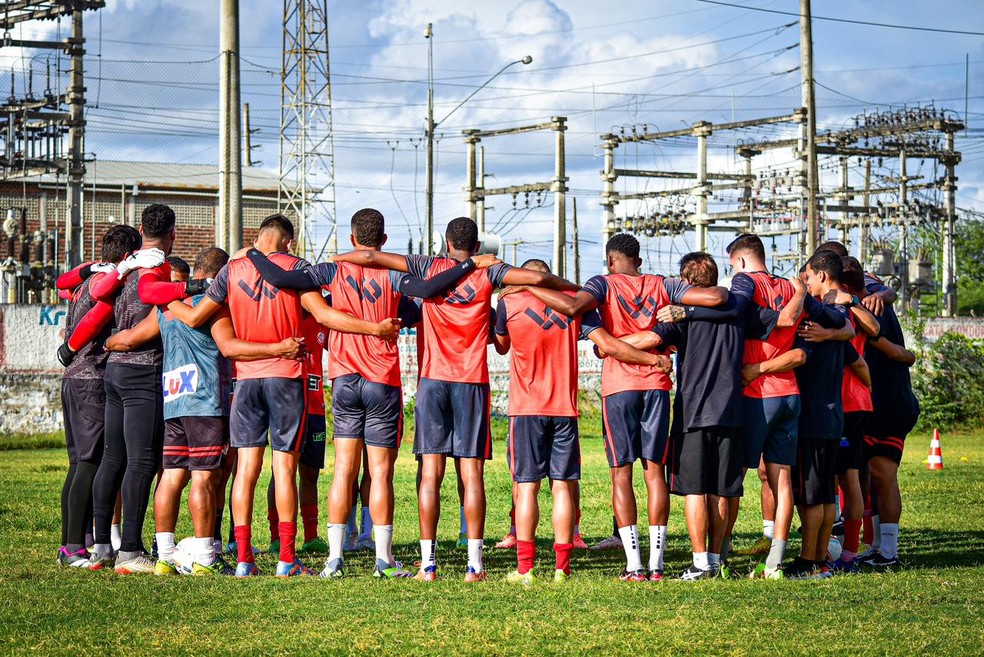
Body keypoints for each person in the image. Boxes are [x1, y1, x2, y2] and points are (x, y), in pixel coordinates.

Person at [247, 208, 491, 579]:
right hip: (382, 380)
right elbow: (425, 294)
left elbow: (281, 278)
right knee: (380, 473)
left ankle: (333, 559)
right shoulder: (395, 275)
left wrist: (252, 254)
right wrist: (468, 267)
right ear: (385, 241)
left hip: (344, 379)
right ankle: (383, 559)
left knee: (343, 469)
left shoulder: (331, 271)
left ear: (351, 239)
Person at [333, 216, 579, 582]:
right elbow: (540, 279)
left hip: (433, 382)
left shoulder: (427, 265)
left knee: (430, 474)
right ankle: (474, 566)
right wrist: (577, 287)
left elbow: (369, 258)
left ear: (446, 243)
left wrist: (336, 259)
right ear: (477, 246)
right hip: (471, 382)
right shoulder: (490, 272)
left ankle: (428, 565)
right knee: (472, 473)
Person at [166, 214, 401, 577]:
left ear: (258, 237)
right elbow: (325, 314)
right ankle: (286, 558)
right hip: (286, 378)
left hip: (246, 382)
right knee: (285, 468)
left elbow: (198, 320)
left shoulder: (232, 271)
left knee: (245, 471)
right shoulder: (296, 268)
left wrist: (164, 301)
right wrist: (375, 328)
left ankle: (244, 559)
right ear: (288, 242)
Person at [512, 233, 727, 581]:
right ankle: (657, 565)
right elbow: (717, 296)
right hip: (657, 388)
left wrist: (523, 286)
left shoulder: (602, 285)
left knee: (621, 474)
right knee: (654, 473)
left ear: (610, 261)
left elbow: (571, 309)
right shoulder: (662, 284)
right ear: (638, 261)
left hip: (619, 388)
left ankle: (635, 564)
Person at [494, 259, 671, 583]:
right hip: (565, 408)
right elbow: (606, 344)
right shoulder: (574, 307)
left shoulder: (509, 302)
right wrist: (653, 359)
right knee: (562, 488)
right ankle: (562, 568)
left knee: (527, 489)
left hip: (526, 407)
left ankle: (525, 568)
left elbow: (501, 346)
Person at [631, 252, 803, 579]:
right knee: (724, 490)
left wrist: (607, 343)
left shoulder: (681, 316)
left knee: (695, 490)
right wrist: (800, 293)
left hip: (694, 413)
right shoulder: (741, 311)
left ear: (686, 283)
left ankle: (700, 564)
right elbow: (784, 320)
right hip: (733, 412)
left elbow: (652, 339)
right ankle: (717, 558)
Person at [85, 205, 176, 574]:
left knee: (112, 458)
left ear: (141, 229)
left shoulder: (126, 266)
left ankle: (102, 546)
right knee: (141, 461)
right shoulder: (159, 269)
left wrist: (112, 342)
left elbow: (98, 296)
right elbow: (159, 318)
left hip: (115, 373)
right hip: (142, 372)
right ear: (172, 234)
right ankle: (131, 551)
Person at [56, 225, 141, 567]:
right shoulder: (111, 284)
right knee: (90, 462)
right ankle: (74, 546)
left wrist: (88, 267)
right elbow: (101, 314)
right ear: (126, 257)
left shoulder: (88, 280)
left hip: (73, 378)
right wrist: (73, 345)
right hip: (91, 377)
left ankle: (73, 543)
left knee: (79, 464)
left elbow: (62, 283)